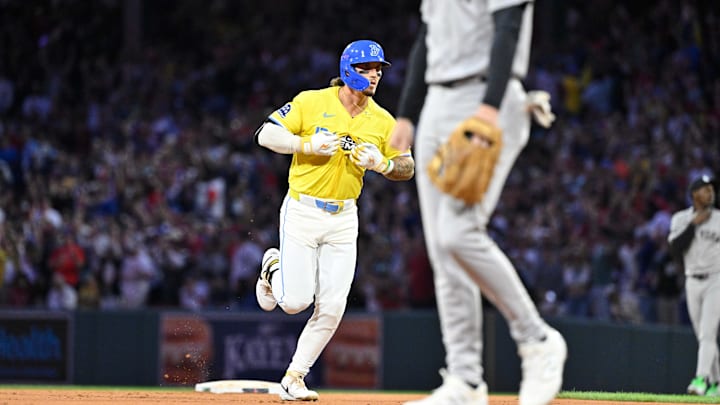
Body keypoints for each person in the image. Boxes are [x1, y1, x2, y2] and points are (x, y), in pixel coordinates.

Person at [389, 1, 567, 404]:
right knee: (442, 250)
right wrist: (407, 113)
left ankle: (537, 339)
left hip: (488, 95)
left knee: (457, 233)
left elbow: (507, 28)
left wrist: (489, 107)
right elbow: (426, 37)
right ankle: (465, 380)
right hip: (437, 100)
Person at [254, 39, 414, 401]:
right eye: (366, 68)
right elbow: (266, 133)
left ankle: (294, 377)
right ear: (347, 70)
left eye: (378, 70)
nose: (374, 75)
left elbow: (407, 165)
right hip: (303, 210)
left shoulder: (384, 120)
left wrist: (383, 164)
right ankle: (272, 266)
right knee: (295, 301)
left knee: (333, 307)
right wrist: (305, 145)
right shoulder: (312, 101)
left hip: (344, 217)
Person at [668, 175, 720, 397]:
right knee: (703, 336)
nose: (710, 193)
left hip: (716, 280)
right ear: (694, 195)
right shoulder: (680, 219)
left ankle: (700, 380)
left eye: (711, 189)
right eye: (704, 189)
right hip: (692, 281)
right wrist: (693, 225)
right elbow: (675, 248)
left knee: (708, 334)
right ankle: (716, 385)